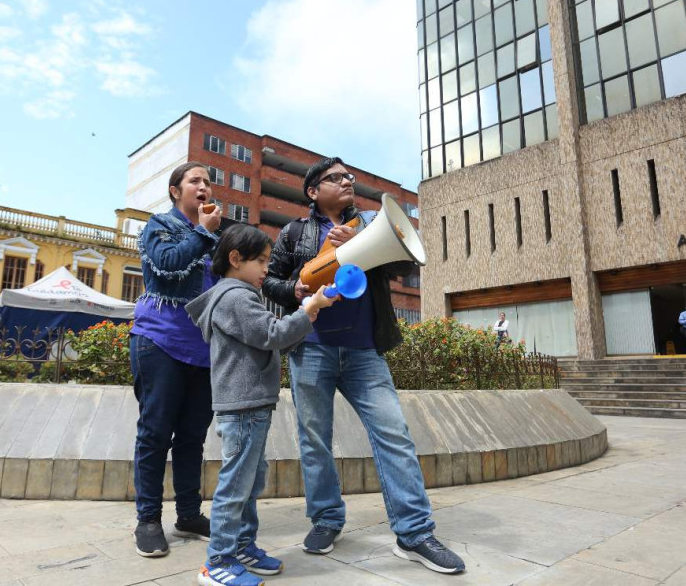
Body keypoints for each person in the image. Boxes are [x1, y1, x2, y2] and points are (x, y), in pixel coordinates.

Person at [262, 157, 466, 575]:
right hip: (311, 348)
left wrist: (357, 243)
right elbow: (269, 280)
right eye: (335, 178)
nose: (346, 182)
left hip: (365, 352)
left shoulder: (371, 222)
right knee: (314, 440)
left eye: (349, 176)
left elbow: (404, 263)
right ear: (313, 191)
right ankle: (326, 519)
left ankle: (414, 533)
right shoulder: (295, 232)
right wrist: (296, 287)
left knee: (394, 434)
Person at [187, 224, 338, 586]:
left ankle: (241, 546)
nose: (266, 269)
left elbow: (268, 343)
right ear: (235, 259)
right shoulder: (236, 297)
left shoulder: (236, 296)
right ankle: (217, 561)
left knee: (249, 483)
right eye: (261, 261)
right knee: (236, 486)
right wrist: (308, 309)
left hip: (250, 405)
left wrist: (306, 316)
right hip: (243, 407)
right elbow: (271, 334)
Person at [130, 161, 222, 558]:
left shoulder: (215, 239)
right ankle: (148, 520)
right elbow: (168, 265)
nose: (204, 187)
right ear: (175, 191)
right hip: (159, 341)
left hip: (202, 350)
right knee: (155, 433)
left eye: (208, 182)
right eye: (195, 181)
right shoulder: (159, 226)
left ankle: (188, 515)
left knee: (192, 437)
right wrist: (203, 232)